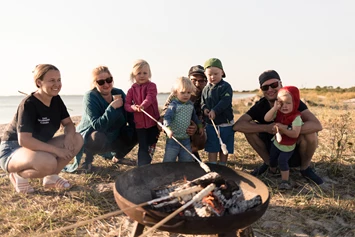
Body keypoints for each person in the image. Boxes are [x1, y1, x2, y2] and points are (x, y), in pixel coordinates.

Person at [0, 64, 83, 193]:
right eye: (52, 80)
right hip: (13, 149)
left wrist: (69, 137)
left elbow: (69, 124)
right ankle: (18, 176)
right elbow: (25, 141)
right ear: (39, 82)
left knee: (77, 139)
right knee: (49, 162)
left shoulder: (56, 99)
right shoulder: (29, 104)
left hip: (37, 148)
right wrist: (56, 150)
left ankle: (50, 177)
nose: (57, 84)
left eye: (59, 80)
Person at [233, 70, 324, 185]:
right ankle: (270, 165)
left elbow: (316, 125)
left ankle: (305, 168)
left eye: (274, 85)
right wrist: (266, 128)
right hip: (272, 149)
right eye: (265, 87)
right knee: (249, 130)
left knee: (311, 133)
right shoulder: (261, 105)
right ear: (261, 90)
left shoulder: (293, 102)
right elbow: (238, 125)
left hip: (293, 148)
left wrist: (286, 129)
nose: (270, 90)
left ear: (281, 84)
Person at [63, 66, 137, 173]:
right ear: (94, 83)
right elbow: (98, 125)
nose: (106, 84)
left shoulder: (119, 93)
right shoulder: (90, 97)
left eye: (108, 80)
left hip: (113, 135)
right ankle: (87, 158)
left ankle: (118, 157)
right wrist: (112, 108)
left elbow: (131, 117)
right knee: (98, 136)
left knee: (137, 130)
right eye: (101, 82)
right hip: (90, 136)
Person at [160, 65, 207, 160]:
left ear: (206, 81)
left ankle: (192, 151)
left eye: (201, 80)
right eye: (194, 80)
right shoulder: (176, 95)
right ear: (188, 79)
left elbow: (205, 119)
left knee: (204, 132)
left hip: (192, 132)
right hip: (175, 130)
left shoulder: (207, 95)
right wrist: (167, 127)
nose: (197, 84)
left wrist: (197, 127)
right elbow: (165, 113)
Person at [264, 86, 303, 190]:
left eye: (288, 103)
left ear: (295, 102)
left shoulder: (296, 118)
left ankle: (285, 181)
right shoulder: (278, 112)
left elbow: (295, 134)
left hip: (288, 146)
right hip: (276, 142)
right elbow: (266, 118)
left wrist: (283, 129)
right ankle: (272, 171)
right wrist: (274, 108)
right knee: (272, 158)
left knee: (282, 161)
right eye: (281, 102)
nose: (284, 106)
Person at [124, 59, 160, 166]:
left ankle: (147, 162)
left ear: (149, 74)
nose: (142, 75)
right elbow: (127, 105)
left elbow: (150, 97)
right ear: (134, 75)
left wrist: (143, 105)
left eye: (145, 73)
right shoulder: (131, 90)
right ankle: (142, 165)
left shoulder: (152, 86)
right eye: (139, 73)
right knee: (143, 145)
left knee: (151, 144)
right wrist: (133, 108)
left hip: (153, 122)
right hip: (140, 125)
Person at [201, 58, 235, 166]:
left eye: (216, 73)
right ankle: (213, 164)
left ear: (222, 72)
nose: (213, 77)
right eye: (210, 74)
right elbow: (203, 102)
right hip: (211, 124)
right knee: (212, 145)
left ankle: (223, 165)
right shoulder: (205, 89)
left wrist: (215, 110)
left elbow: (225, 101)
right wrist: (205, 109)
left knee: (224, 144)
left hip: (225, 123)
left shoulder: (225, 87)